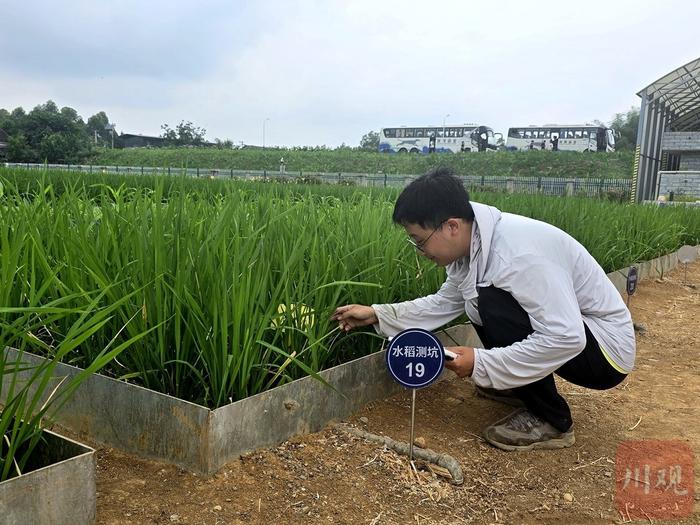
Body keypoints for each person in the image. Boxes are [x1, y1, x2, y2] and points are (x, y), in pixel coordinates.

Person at [332, 168, 635, 451]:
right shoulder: (474, 246)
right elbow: (444, 302)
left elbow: (567, 337)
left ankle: (553, 421)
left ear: (451, 226)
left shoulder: (516, 256)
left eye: (420, 241)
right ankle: (520, 386)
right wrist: (376, 313)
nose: (421, 252)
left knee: (490, 302)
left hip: (605, 353)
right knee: (480, 299)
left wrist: (482, 363)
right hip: (578, 335)